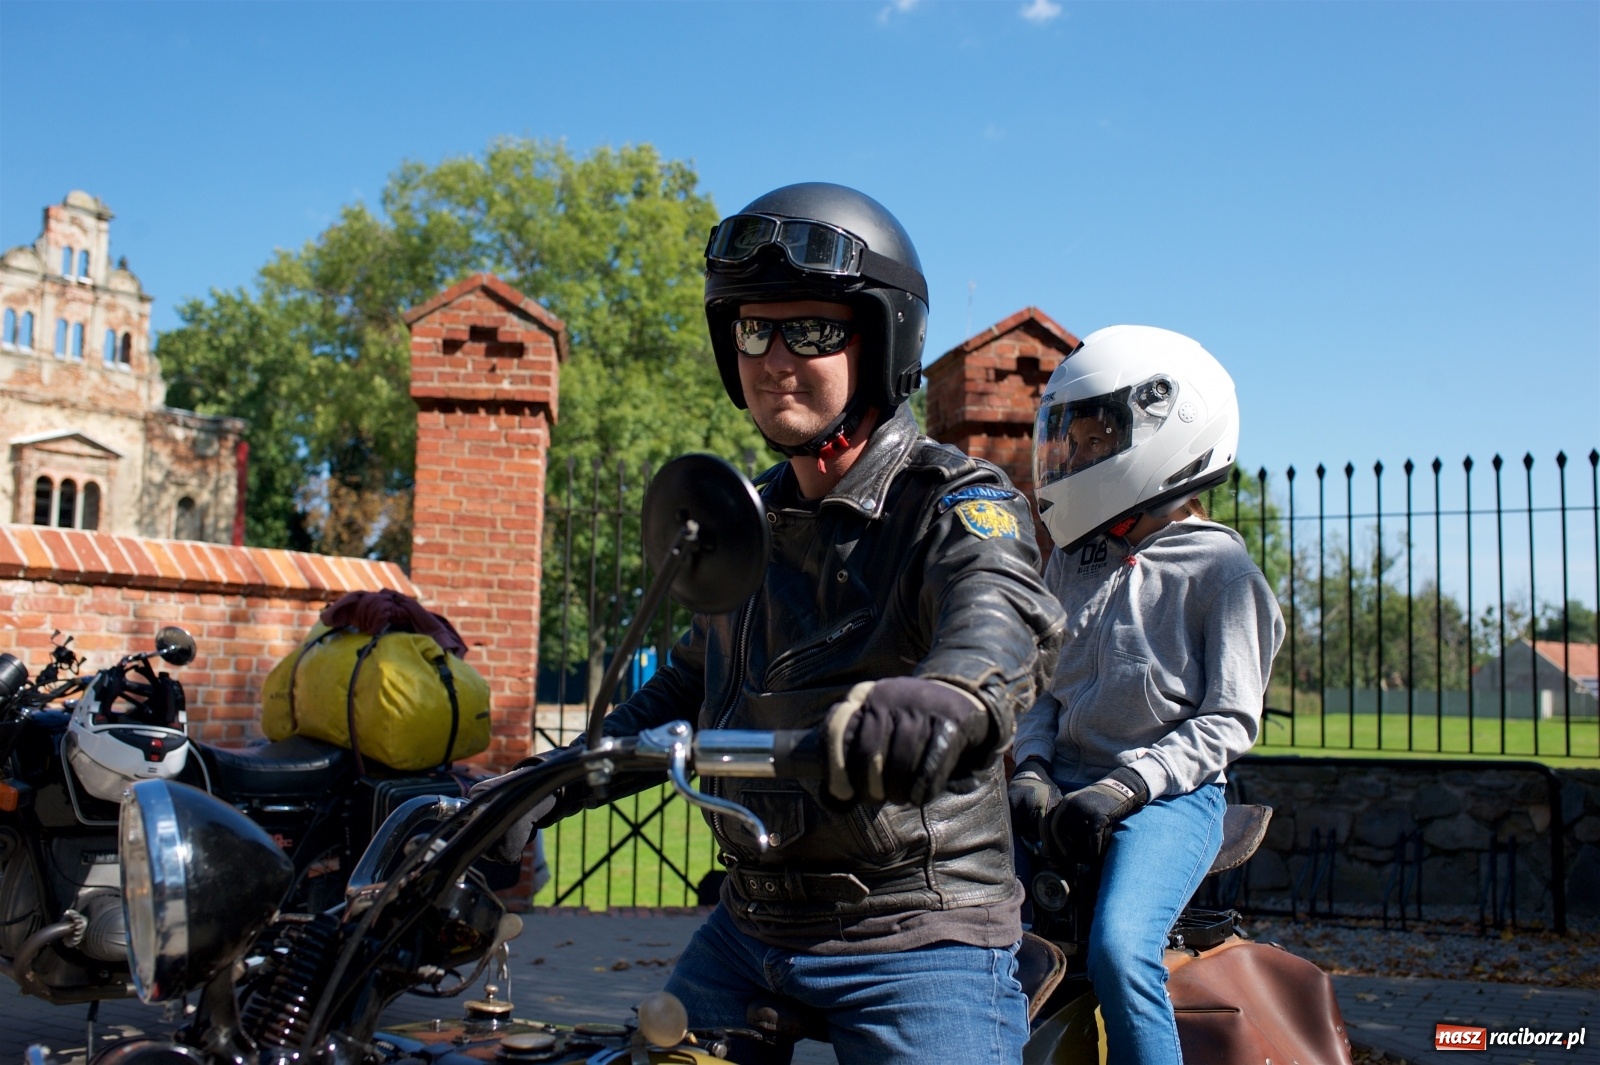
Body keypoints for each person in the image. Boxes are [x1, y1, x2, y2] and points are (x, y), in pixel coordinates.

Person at [583, 183, 1064, 1063]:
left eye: (810, 331)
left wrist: (943, 696)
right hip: (748, 925)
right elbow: (693, 681)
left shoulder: (952, 501)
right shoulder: (744, 519)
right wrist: (537, 784)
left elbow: (998, 615)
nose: (774, 358)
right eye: (752, 330)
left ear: (881, 340)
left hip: (916, 932)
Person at [1007, 325, 1285, 1065]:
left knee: (1121, 948)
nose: (1078, 456)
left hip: (1168, 798)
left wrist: (1128, 786)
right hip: (1062, 784)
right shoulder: (1071, 561)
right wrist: (1032, 766)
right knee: (958, 925)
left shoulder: (1220, 570)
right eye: (1075, 439)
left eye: (1098, 441)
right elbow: (1042, 687)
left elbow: (1229, 719)